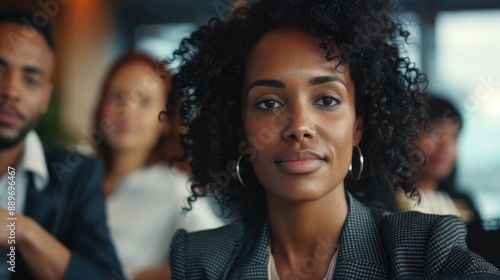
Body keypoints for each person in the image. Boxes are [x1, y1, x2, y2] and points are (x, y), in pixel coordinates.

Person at [165, 0, 500, 279]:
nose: (299, 126)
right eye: (268, 103)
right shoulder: (199, 261)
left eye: (326, 100)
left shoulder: (423, 249)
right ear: (240, 130)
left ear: (358, 126)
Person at [0, 7, 123, 280]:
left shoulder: (77, 175)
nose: (10, 91)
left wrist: (22, 231)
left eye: (30, 79)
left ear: (45, 98)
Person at [93, 52, 227, 279]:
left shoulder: (175, 189)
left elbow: (222, 258)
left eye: (144, 101)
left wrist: (144, 277)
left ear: (165, 120)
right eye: (117, 98)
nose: (126, 110)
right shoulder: (76, 169)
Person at [394, 96, 479, 221]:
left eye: (454, 136)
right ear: (405, 135)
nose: (447, 145)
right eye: (435, 132)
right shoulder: (384, 201)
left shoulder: (464, 203)